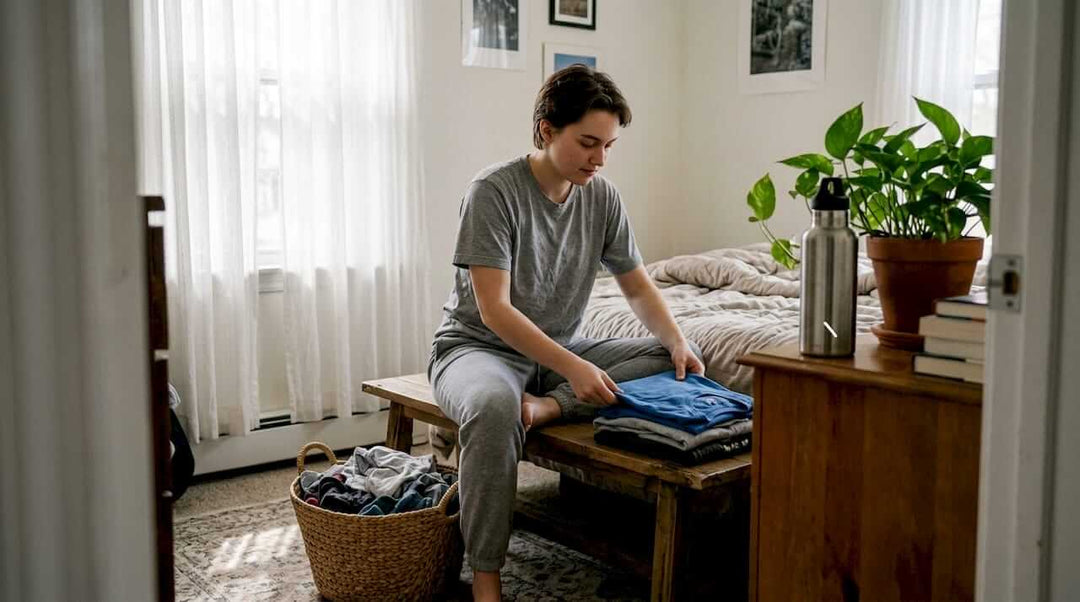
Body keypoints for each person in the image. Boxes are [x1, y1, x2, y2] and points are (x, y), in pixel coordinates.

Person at [428, 64, 705, 601]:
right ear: (546, 130)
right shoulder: (493, 191)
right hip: (477, 349)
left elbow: (639, 288)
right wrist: (577, 369)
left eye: (609, 146)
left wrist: (677, 340)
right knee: (491, 408)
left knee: (667, 358)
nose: (599, 159)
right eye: (588, 143)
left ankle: (546, 408)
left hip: (556, 354)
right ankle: (485, 577)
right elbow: (495, 311)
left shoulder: (602, 198)